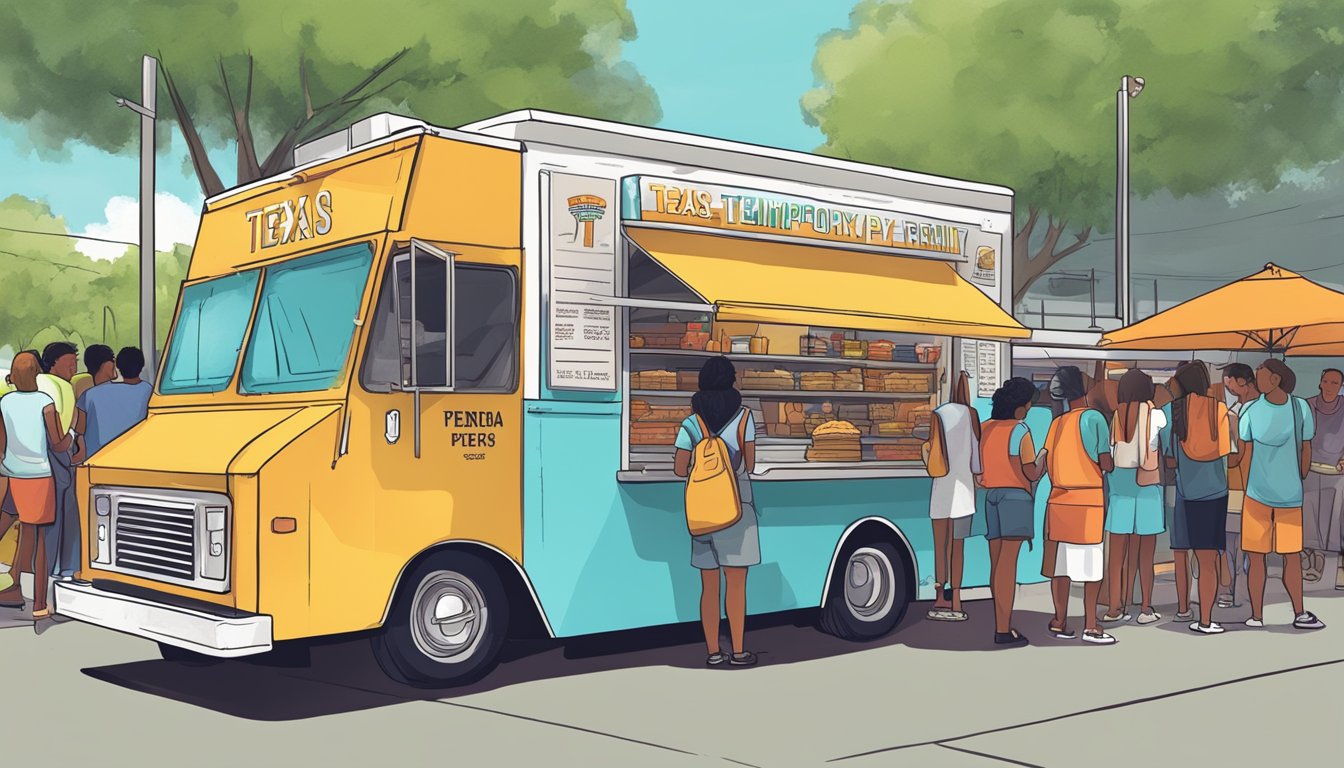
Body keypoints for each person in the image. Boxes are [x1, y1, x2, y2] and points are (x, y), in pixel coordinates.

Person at [673, 356, 759, 667]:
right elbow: (748, 464)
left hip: (703, 511)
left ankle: (712, 651)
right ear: (732, 381)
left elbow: (680, 469)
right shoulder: (745, 417)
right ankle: (738, 651)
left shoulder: (691, 423)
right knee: (736, 585)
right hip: (736, 508)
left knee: (709, 587)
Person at [1238, 359, 1325, 630]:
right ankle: (1257, 614)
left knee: (1291, 556)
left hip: (1288, 496)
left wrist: (1299, 476)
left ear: (1276, 379)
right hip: (1257, 495)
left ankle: (1298, 612)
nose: (1256, 380)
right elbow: (1245, 452)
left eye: (1260, 376)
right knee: (1256, 557)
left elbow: (1306, 448)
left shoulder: (1299, 408)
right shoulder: (1250, 409)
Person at [1040, 366, 1116, 645]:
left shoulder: (1056, 424)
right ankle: (1092, 625)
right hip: (1086, 501)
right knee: (1090, 569)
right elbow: (1105, 462)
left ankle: (1059, 620)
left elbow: (1042, 463)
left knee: (1060, 569)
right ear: (1081, 387)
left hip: (1058, 501)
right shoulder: (1094, 417)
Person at [1161, 362, 1234, 634]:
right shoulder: (1219, 410)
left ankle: (1183, 609)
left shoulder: (1171, 412)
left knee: (1181, 553)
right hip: (1215, 492)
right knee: (1208, 561)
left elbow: (1169, 461)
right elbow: (1231, 456)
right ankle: (1205, 620)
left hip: (1184, 494)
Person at [0, 351, 72, 617]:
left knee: (16, 527)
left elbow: (1, 443)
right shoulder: (46, 402)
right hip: (38, 477)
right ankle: (40, 605)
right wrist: (75, 438)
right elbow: (57, 442)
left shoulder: (5, 403)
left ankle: (13, 588)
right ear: (37, 375)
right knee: (41, 538)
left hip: (10, 475)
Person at [979, 377, 1043, 646]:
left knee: (996, 565)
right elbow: (1031, 471)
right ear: (1019, 407)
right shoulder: (1020, 430)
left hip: (990, 497)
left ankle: (1000, 622)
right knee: (1008, 566)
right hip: (1015, 498)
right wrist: (1045, 458)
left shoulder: (984, 428)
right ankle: (1003, 630)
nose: (1028, 410)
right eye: (1028, 405)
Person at [1101, 369, 1166, 626]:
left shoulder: (1117, 415)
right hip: (1147, 485)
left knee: (1117, 553)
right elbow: (1156, 446)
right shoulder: (1156, 414)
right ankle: (1146, 607)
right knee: (1145, 555)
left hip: (1120, 486)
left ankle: (1115, 606)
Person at [926, 371, 981, 622]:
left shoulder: (938, 414)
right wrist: (978, 475)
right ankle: (957, 600)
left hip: (940, 489)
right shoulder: (971, 415)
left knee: (940, 546)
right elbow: (976, 458)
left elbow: (930, 449)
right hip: (964, 491)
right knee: (957, 547)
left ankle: (939, 597)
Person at [38, 342, 79, 581]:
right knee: (60, 515)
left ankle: (52, 568)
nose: (73, 368)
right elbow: (59, 427)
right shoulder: (55, 386)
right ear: (53, 363)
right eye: (69, 363)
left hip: (46, 455)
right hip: (57, 453)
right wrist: (71, 437)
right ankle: (60, 568)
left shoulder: (46, 383)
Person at [1218, 363, 1257, 607]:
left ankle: (1232, 589)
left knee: (1232, 541)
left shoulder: (1241, 413)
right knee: (1243, 541)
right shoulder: (1251, 408)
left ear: (1240, 381)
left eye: (1229, 382)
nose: (1228, 388)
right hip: (1251, 485)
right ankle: (1239, 590)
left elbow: (1235, 455)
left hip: (1238, 484)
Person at [1303, 368, 1344, 588]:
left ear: (1340, 386)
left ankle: (1332, 563)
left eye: (1334, 383)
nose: (1329, 386)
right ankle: (1315, 559)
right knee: (1309, 514)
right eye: (1326, 381)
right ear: (1320, 383)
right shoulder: (1308, 405)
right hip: (1309, 468)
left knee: (1335, 517)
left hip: (1336, 470)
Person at [74, 346, 153, 461]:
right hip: (136, 457)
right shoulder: (148, 391)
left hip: (97, 460)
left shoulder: (89, 395)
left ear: (119, 367)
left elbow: (80, 430)